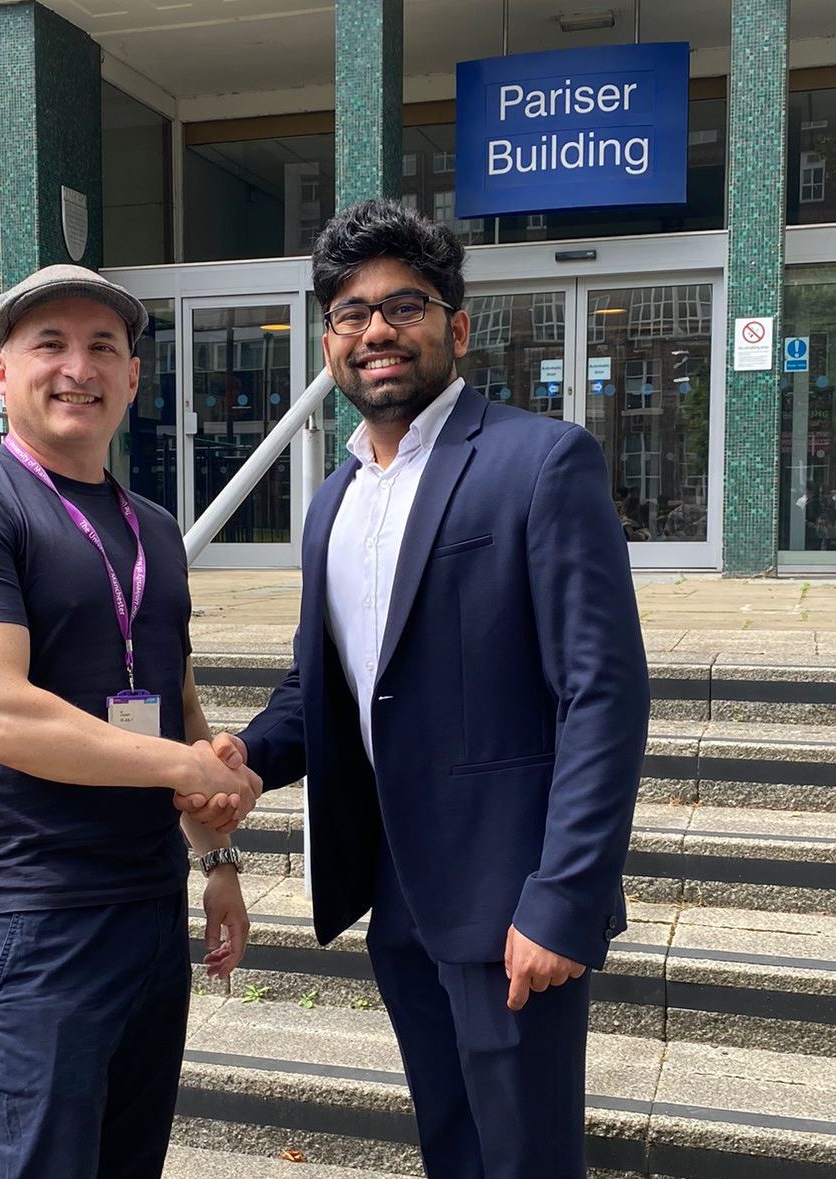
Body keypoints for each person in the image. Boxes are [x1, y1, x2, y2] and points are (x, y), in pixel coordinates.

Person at [209, 200, 649, 1179]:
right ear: (329, 343)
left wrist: (562, 901)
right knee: (451, 1145)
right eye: (349, 313)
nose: (374, 331)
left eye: (401, 306)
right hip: (396, 894)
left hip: (510, 898)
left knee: (526, 1158)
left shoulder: (540, 462)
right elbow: (321, 682)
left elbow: (603, 696)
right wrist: (245, 758)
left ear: (454, 327)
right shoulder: (333, 500)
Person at [0, 263, 262, 1179]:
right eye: (48, 344)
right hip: (31, 914)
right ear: (0, 371)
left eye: (103, 346)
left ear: (133, 377)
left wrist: (213, 856)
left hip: (145, 907)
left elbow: (173, 704)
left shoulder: (152, 526)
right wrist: (191, 769)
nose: (77, 367)